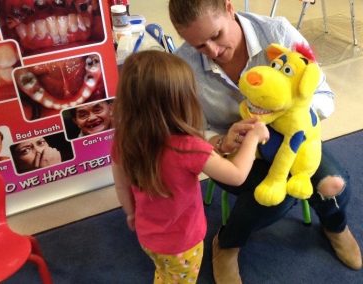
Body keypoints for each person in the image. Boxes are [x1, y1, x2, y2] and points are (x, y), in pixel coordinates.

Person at [168, 0, 362, 283]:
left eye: (216, 36)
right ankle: (227, 243)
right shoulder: (182, 65)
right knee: (275, 199)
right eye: (199, 46)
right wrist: (221, 141)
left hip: (293, 141)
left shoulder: (277, 33)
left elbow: (323, 94)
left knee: (335, 184)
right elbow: (189, 130)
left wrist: (293, 116)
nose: (212, 51)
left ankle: (335, 225)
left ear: (229, 8)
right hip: (230, 152)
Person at [111, 50, 269, 284]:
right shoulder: (190, 148)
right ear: (181, 102)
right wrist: (253, 138)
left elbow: (122, 187)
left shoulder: (123, 141)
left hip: (147, 236)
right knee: (180, 278)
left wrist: (131, 214)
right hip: (183, 245)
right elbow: (236, 176)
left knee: (165, 271)